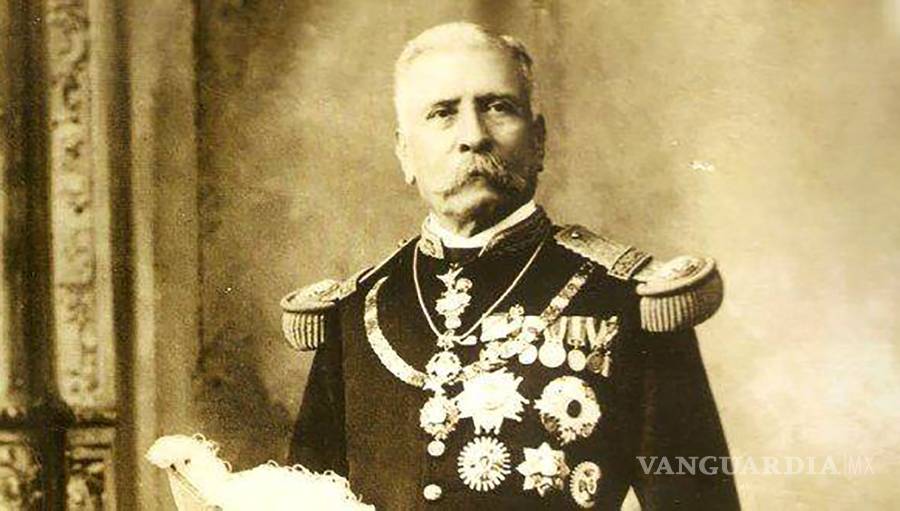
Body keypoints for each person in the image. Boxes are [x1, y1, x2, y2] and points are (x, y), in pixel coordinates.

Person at [282, 22, 740, 510]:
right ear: (404, 152)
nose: (473, 136)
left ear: (538, 140)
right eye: (442, 113)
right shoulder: (357, 311)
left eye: (497, 107)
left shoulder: (628, 300)